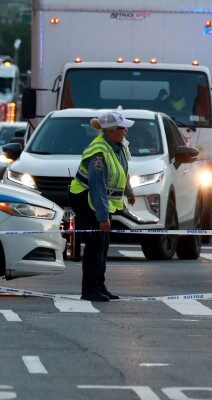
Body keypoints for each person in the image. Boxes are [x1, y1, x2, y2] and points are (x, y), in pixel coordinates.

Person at [68, 111, 136, 302]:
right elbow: (97, 187)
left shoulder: (118, 146)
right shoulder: (99, 152)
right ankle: (89, 290)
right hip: (86, 199)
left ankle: (100, 285)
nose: (126, 131)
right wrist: (102, 217)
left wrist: (129, 191)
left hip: (100, 201)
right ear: (110, 131)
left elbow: (123, 171)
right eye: (122, 128)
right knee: (95, 246)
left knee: (103, 245)